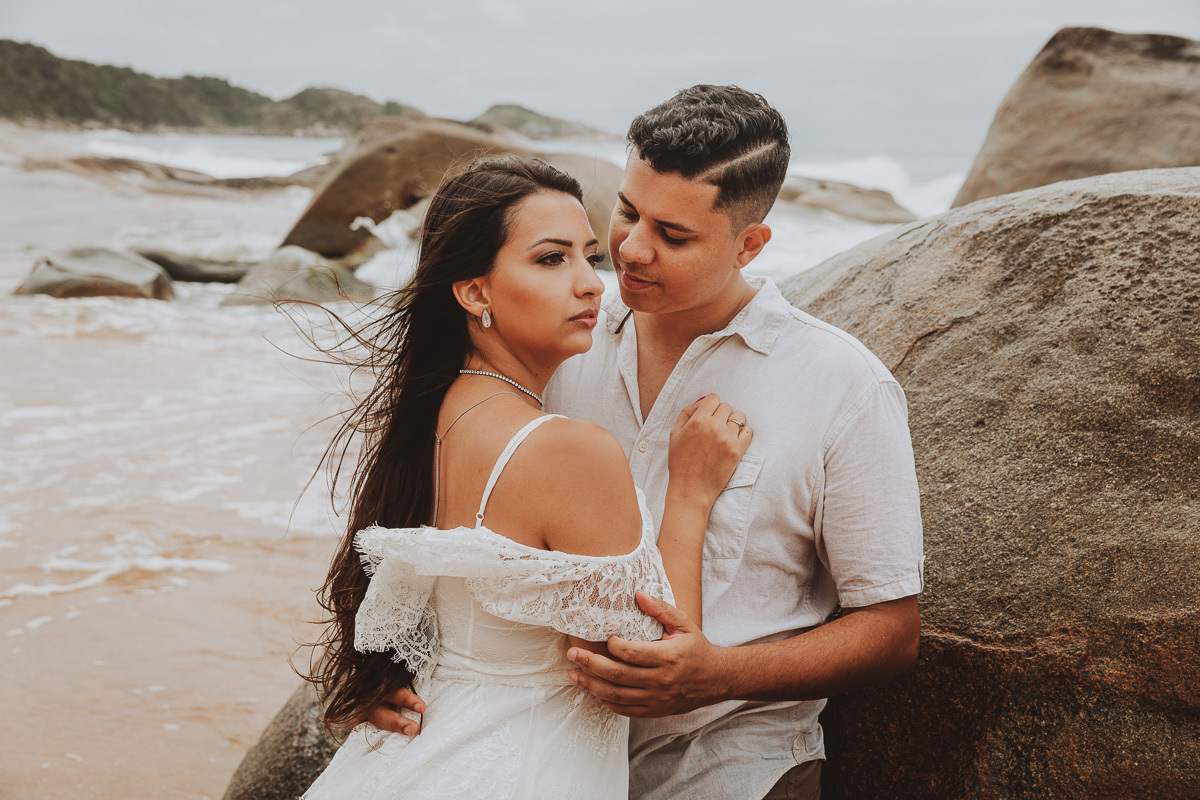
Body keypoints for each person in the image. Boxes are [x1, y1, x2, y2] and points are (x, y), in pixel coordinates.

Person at [370, 86, 925, 800]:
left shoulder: (841, 385)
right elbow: (441, 519)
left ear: (749, 244)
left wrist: (719, 674)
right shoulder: (561, 336)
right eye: (627, 211)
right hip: (540, 753)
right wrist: (382, 668)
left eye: (674, 234)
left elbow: (892, 630)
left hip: (728, 764)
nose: (630, 249)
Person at [300, 155, 753, 799]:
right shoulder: (566, 448)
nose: (593, 284)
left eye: (589, 257)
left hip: (417, 755)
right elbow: (645, 669)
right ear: (474, 291)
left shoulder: (431, 414)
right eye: (550, 259)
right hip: (519, 768)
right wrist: (689, 494)